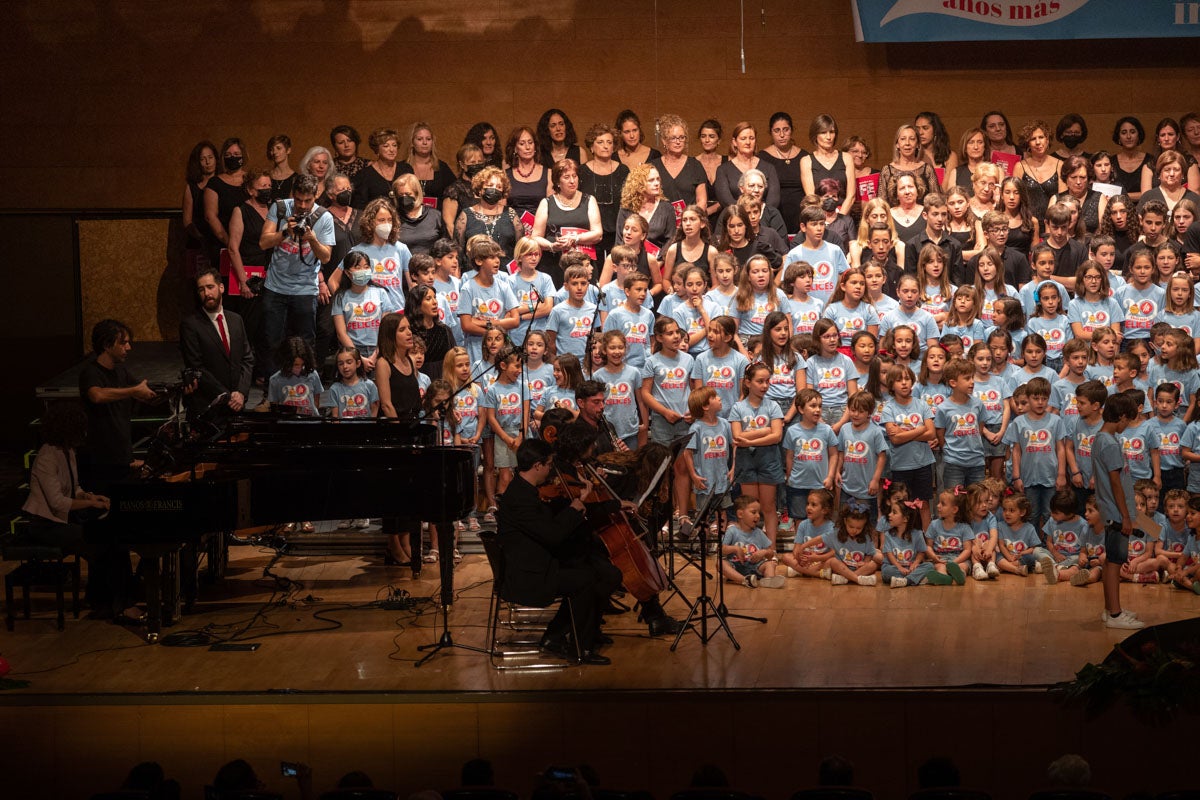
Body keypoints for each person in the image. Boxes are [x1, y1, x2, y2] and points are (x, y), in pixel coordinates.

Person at [22, 401, 139, 621]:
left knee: (111, 540)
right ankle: (120, 604)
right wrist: (92, 505)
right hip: (44, 525)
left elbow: (74, 488)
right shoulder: (47, 456)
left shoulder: (68, 451)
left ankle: (101, 599)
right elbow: (58, 502)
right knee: (104, 544)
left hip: (60, 521)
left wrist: (90, 496)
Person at [498, 439, 611, 667]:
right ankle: (579, 646)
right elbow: (551, 534)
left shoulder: (524, 490)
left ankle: (559, 636)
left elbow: (546, 524)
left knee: (598, 571)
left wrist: (574, 506)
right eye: (549, 464)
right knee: (586, 579)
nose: (551, 469)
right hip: (529, 576)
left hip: (537, 563)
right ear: (538, 465)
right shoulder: (520, 498)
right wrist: (573, 509)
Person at [258, 174, 335, 375]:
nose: (302, 205)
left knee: (305, 342)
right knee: (271, 340)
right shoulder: (281, 208)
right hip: (275, 286)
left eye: (307, 201)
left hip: (305, 288)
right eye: (298, 200)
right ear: (293, 194)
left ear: (315, 196)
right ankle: (272, 390)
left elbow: (326, 257)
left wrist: (312, 239)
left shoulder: (324, 217)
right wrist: (285, 232)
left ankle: (304, 389)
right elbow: (263, 242)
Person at [79, 319, 158, 484]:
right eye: (123, 343)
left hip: (121, 458)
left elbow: (144, 392)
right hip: (101, 461)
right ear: (107, 345)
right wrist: (133, 391)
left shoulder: (121, 371)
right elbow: (97, 395)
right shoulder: (91, 372)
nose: (128, 348)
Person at [1091, 391, 1146, 628]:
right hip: (1115, 512)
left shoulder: (1100, 439)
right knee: (1114, 562)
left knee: (1112, 561)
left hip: (1110, 509)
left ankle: (1110, 609)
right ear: (1121, 416)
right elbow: (1115, 483)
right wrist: (1125, 516)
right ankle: (1114, 614)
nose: (1127, 426)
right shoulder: (1110, 443)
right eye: (1128, 421)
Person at [179, 267, 253, 417]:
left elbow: (247, 359)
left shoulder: (236, 320)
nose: (206, 293)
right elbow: (196, 366)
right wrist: (228, 396)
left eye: (210, 287)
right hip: (210, 406)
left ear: (221, 287)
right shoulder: (191, 325)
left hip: (238, 404)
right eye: (201, 290)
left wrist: (241, 393)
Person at [720, 495, 785, 589]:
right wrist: (735, 548)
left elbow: (771, 554)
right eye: (754, 512)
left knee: (770, 564)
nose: (758, 516)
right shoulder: (732, 531)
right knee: (720, 563)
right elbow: (721, 549)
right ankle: (744, 580)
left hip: (755, 566)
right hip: (736, 566)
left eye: (759, 513)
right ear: (740, 514)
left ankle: (769, 580)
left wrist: (764, 552)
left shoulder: (759, 532)